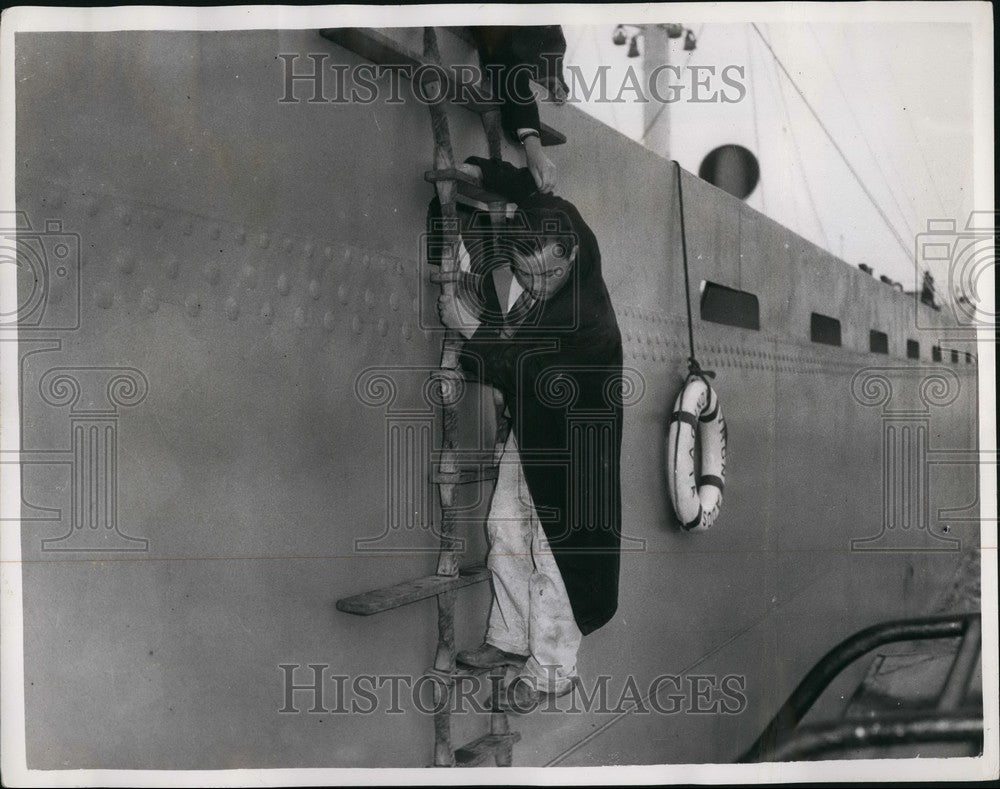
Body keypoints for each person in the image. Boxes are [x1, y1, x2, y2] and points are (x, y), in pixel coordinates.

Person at [436, 156, 623, 710]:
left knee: (554, 555)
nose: (533, 287)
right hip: (537, 432)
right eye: (521, 275)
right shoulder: (558, 228)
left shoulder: (594, 325)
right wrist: (501, 174)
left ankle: (550, 671)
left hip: (576, 451)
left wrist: (470, 330)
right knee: (504, 527)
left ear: (570, 255)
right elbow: (538, 197)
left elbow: (536, 376)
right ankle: (510, 638)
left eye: (543, 276)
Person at [469, 26, 569, 194]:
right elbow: (506, 63)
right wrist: (533, 144)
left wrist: (555, 80)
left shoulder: (553, 35)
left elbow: (553, 45)